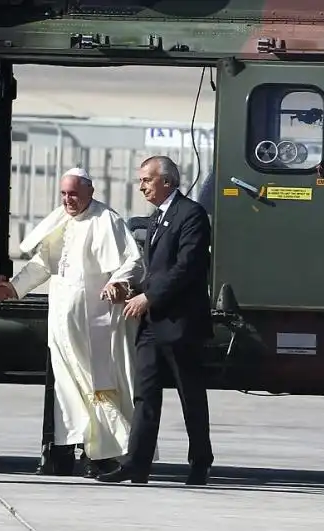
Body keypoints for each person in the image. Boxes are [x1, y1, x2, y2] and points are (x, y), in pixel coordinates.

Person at [0, 167, 146, 478]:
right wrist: (15, 287)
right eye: (63, 194)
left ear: (90, 192)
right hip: (63, 325)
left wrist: (118, 282)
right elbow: (43, 263)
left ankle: (105, 456)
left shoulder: (107, 220)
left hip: (95, 326)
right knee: (67, 392)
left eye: (74, 194)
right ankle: (70, 452)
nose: (68, 200)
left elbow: (133, 261)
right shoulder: (62, 219)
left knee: (97, 387)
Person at [97, 155, 214, 486]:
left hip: (180, 323)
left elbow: (187, 267)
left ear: (167, 181)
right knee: (145, 394)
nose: (142, 186)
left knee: (189, 395)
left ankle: (200, 462)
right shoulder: (156, 218)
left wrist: (149, 297)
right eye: (140, 180)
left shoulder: (190, 215)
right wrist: (132, 289)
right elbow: (156, 270)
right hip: (152, 323)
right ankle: (137, 464)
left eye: (147, 179)